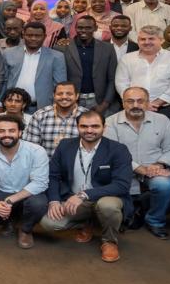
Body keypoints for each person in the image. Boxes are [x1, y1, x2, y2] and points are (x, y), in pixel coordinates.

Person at [41, 111, 133, 262]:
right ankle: (87, 223)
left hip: (105, 198)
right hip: (74, 200)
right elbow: (53, 176)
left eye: (95, 126)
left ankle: (109, 241)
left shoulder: (118, 149)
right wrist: (54, 200)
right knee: (49, 223)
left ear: (104, 128)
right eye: (84, 126)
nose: (89, 130)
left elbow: (122, 185)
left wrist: (84, 194)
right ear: (77, 127)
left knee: (107, 206)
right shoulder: (65, 145)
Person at [104, 87, 170, 239]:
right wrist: (141, 169)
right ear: (123, 103)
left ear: (147, 102)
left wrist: (158, 165)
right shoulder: (110, 122)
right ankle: (132, 212)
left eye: (140, 101)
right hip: (123, 171)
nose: (135, 105)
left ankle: (155, 221)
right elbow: (113, 154)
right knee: (124, 212)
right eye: (130, 101)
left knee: (165, 185)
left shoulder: (162, 120)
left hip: (154, 169)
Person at [0, 115, 50, 249]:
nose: (6, 134)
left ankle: (25, 229)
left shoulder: (36, 151)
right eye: (1, 131)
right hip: (1, 191)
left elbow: (40, 183)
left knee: (38, 204)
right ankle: (9, 220)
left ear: (20, 132)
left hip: (28, 193)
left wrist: (10, 200)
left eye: (12, 130)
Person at [115, 25, 170, 122]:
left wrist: (156, 103)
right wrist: (136, 103)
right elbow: (121, 83)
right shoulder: (127, 58)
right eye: (142, 39)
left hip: (162, 109)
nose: (146, 42)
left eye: (151, 39)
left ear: (161, 40)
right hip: (132, 108)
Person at [0, 21, 67, 114]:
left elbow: (60, 86)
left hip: (42, 108)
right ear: (23, 35)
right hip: (12, 107)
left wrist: (56, 107)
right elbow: (3, 80)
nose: (33, 38)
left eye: (38, 36)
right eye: (29, 35)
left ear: (44, 36)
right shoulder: (9, 53)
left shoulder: (56, 56)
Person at [62, 15, 118, 113]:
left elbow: (112, 79)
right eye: (80, 27)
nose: (83, 30)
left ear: (95, 28)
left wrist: (105, 104)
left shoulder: (108, 48)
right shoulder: (62, 48)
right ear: (75, 28)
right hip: (72, 101)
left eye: (88, 28)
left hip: (98, 101)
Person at [26, 82, 88, 157]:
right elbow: (32, 148)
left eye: (69, 94)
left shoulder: (87, 116)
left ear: (77, 96)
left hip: (78, 163)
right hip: (46, 163)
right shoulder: (39, 116)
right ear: (54, 96)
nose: (64, 97)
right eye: (60, 94)